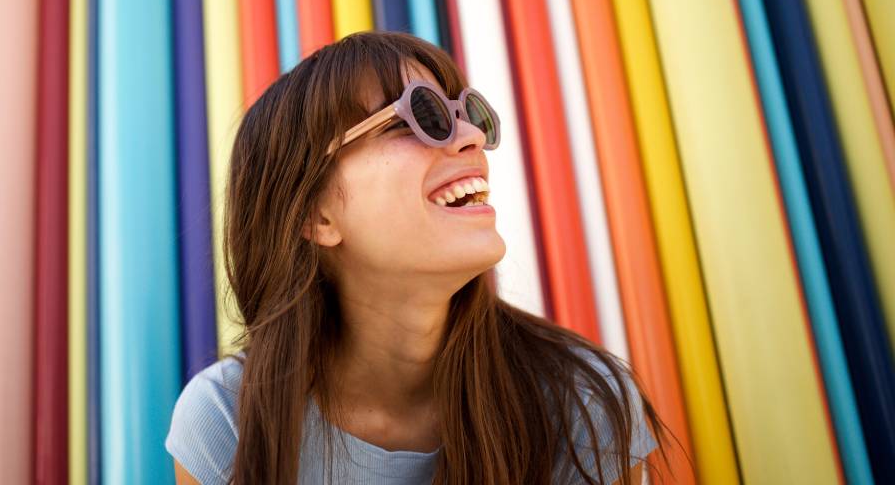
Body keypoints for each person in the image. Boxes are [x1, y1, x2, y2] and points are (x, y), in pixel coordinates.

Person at [165, 31, 668, 484]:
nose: (471, 137)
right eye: (420, 118)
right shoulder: (226, 420)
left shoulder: (580, 400)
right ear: (317, 216)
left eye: (468, 115)